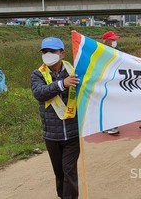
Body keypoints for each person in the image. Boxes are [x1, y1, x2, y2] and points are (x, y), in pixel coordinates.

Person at [30, 37, 81, 199]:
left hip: (72, 133)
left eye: (52, 51)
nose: (48, 54)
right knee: (60, 173)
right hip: (52, 135)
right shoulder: (38, 74)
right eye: (45, 52)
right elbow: (39, 93)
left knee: (69, 171)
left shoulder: (74, 71)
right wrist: (61, 84)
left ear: (62, 53)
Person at [101, 31, 121, 136]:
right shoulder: (100, 52)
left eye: (115, 40)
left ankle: (113, 125)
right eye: (112, 40)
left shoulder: (118, 52)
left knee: (115, 104)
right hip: (104, 83)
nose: (115, 42)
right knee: (105, 105)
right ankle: (107, 126)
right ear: (106, 41)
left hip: (116, 83)